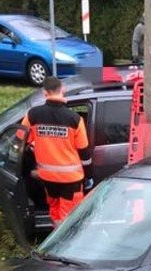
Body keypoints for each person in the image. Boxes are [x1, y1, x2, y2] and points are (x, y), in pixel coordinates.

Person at [22, 76, 94, 226]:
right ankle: (63, 243)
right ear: (63, 90)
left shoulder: (32, 115)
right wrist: (89, 175)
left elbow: (21, 140)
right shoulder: (75, 119)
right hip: (71, 180)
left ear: (44, 92)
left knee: (54, 210)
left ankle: (55, 234)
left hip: (47, 178)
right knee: (69, 218)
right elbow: (84, 153)